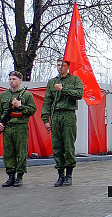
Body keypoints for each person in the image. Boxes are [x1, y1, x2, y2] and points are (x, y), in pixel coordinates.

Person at [41, 59, 84, 187]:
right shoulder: (52, 82)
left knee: (68, 145)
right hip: (56, 115)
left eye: (62, 65)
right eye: (58, 65)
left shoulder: (75, 80)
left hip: (68, 114)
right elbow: (47, 101)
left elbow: (79, 94)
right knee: (57, 146)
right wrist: (45, 119)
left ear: (68, 66)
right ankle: (60, 174)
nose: (59, 67)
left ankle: (69, 174)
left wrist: (63, 89)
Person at [0, 71, 36, 187]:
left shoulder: (27, 95)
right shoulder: (4, 95)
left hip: (21, 127)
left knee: (21, 152)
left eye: (14, 79)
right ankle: (11, 176)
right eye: (10, 79)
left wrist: (20, 106)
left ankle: (19, 177)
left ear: (20, 80)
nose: (11, 81)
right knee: (8, 153)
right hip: (8, 127)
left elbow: (32, 110)